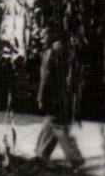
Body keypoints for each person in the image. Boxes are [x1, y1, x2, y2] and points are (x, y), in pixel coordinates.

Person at [33, 35, 85, 167]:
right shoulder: (52, 56)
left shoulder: (58, 56)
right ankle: (73, 158)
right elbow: (46, 77)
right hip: (54, 97)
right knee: (58, 125)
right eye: (59, 43)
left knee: (54, 125)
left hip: (58, 97)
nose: (61, 46)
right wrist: (42, 97)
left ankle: (42, 154)